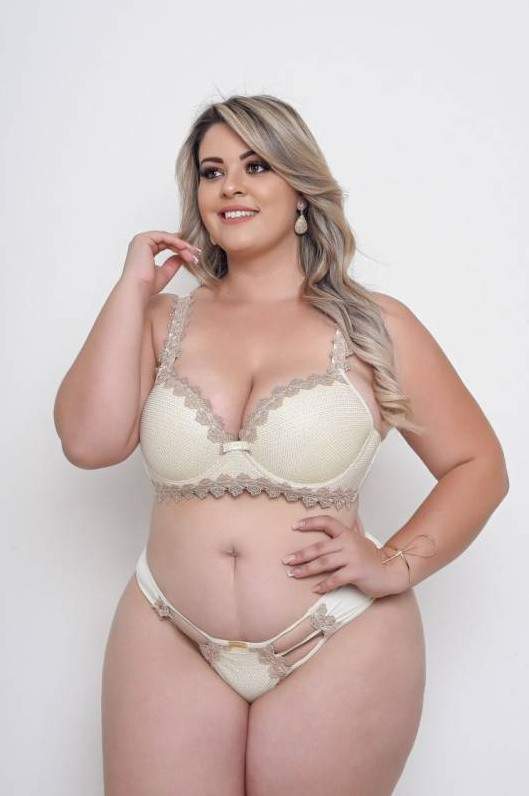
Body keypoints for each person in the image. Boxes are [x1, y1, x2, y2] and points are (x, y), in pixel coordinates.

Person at [53, 94, 509, 795]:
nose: (230, 186)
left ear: (299, 187)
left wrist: (396, 562)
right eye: (211, 172)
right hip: (168, 629)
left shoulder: (373, 326)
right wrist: (130, 289)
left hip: (338, 634)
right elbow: (89, 443)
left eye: (256, 165)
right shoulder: (158, 320)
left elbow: (477, 465)